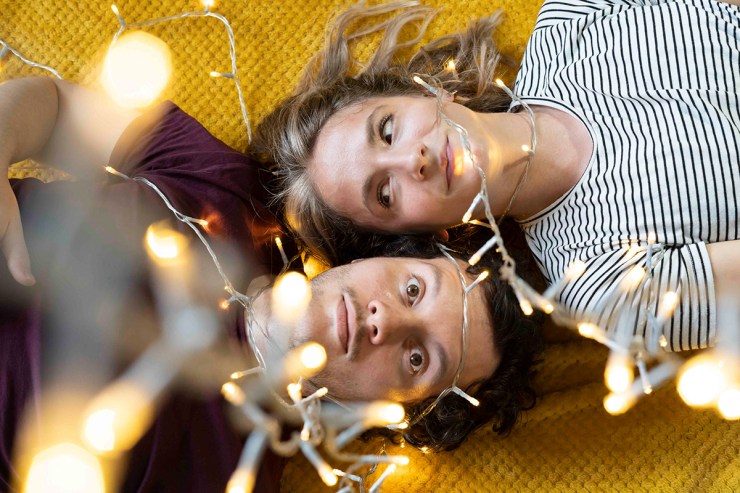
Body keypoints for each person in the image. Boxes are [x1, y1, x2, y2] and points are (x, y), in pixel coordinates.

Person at [0, 77, 541, 491]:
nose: (387, 322)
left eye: (417, 358)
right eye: (414, 291)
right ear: (381, 253)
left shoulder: (232, 478)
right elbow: (57, 105)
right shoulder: (228, 193)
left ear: (400, 412)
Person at [254, 0, 740, 352]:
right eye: (384, 194)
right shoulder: (596, 286)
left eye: (387, 130)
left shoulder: (571, 19)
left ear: (428, 91)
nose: (410, 160)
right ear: (424, 236)